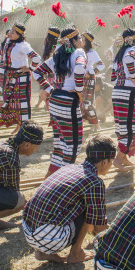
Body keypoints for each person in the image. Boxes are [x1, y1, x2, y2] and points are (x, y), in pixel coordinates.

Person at [23, 134, 115, 263]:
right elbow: (99, 225)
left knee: (79, 205)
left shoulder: (70, 168)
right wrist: (116, 239)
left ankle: (42, 252)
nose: (112, 165)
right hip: (48, 238)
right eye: (112, 161)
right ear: (105, 162)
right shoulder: (94, 182)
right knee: (89, 209)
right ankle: (75, 253)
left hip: (29, 231)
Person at [33, 27, 86, 177]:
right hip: (68, 102)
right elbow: (80, 69)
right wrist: (79, 91)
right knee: (73, 144)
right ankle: (63, 179)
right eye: (80, 37)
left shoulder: (56, 56)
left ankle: (51, 175)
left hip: (55, 101)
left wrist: (50, 90)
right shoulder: (79, 53)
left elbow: (36, 72)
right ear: (74, 40)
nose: (82, 40)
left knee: (59, 142)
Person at [0, 22, 41, 129]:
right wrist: (0, 63)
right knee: (10, 100)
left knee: (21, 101)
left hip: (21, 76)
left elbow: (36, 58)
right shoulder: (7, 42)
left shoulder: (23, 45)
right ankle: (17, 123)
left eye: (13, 32)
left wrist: (30, 68)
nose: (10, 33)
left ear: (19, 35)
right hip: (9, 75)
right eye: (11, 31)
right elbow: (0, 54)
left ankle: (24, 125)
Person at [111, 27, 135, 171]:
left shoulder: (119, 52)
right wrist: (134, 80)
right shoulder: (133, 50)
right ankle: (118, 159)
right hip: (127, 92)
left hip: (117, 91)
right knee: (129, 126)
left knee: (121, 126)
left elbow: (113, 76)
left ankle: (123, 158)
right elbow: (129, 59)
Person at [80, 29, 105, 129]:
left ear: (87, 42)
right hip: (81, 79)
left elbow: (101, 65)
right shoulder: (79, 51)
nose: (81, 41)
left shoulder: (92, 52)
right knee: (80, 102)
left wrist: (91, 72)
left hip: (89, 79)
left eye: (82, 39)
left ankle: (96, 125)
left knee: (88, 103)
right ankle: (82, 123)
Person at [34, 26, 60, 110]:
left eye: (47, 34)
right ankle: (44, 104)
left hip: (53, 76)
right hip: (47, 74)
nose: (45, 37)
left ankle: (49, 105)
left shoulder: (56, 48)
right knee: (43, 91)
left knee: (44, 92)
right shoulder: (47, 46)